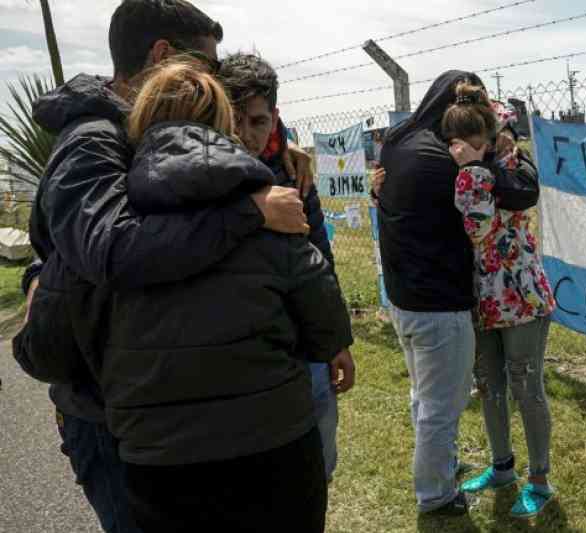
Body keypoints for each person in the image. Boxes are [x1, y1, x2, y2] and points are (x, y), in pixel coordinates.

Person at [15, 2, 312, 532]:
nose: (212, 84)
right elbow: (113, 248)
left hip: (148, 405)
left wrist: (277, 150)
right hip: (103, 414)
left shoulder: (135, 133)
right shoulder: (93, 140)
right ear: (160, 56)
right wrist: (250, 211)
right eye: (208, 68)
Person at [218, 52, 342, 482]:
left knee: (318, 464)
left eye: (258, 123)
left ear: (275, 118)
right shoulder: (198, 176)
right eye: (234, 122)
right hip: (239, 354)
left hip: (302, 342)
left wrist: (335, 339)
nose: (245, 136)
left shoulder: (292, 172)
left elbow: (320, 254)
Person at [445, 87, 559, 518]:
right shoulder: (467, 170)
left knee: (526, 387)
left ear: (490, 137)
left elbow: (478, 226)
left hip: (521, 295)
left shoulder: (508, 168)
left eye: (470, 137)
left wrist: (474, 169)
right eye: (453, 138)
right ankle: (502, 467)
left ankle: (540, 480)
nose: (459, 147)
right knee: (491, 387)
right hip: (482, 297)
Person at [377, 71, 487, 516]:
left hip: (405, 297)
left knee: (425, 397)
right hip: (441, 302)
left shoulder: (398, 144)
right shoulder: (445, 162)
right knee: (442, 405)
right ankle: (436, 494)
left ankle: (439, 469)